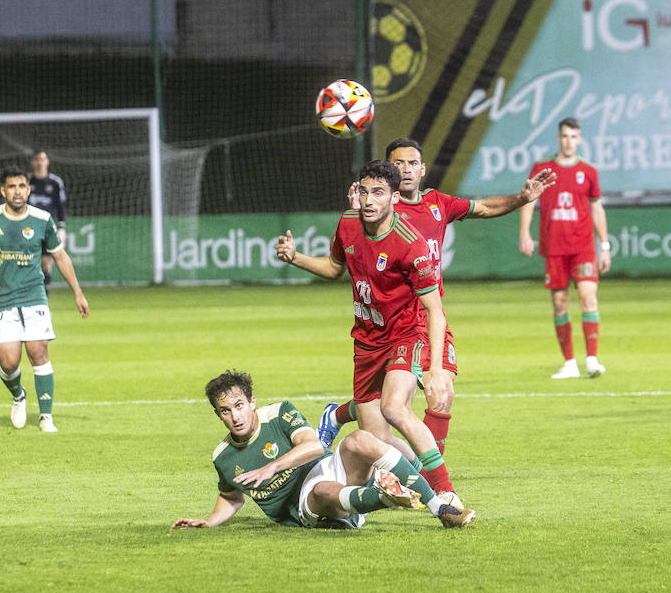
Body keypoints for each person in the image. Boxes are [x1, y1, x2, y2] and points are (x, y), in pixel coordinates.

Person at [317, 137, 555, 489]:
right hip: (395, 323)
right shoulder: (383, 210)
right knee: (387, 420)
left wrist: (522, 198)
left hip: (427, 318)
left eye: (413, 163)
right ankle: (422, 477)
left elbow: (485, 207)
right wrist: (360, 207)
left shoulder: (437, 204)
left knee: (437, 394)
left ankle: (430, 481)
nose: (406, 169)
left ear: (423, 168)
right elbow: (352, 247)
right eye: (398, 163)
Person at [275, 159, 471, 525]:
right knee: (376, 443)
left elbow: (436, 310)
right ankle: (420, 474)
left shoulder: (411, 245)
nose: (368, 199)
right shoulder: (348, 225)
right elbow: (334, 269)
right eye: (364, 191)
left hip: (405, 334)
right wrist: (295, 257)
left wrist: (437, 369)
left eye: (378, 192)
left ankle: (445, 494)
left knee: (396, 408)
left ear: (395, 198)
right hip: (366, 342)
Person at [172, 369, 474, 530]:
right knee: (321, 491)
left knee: (361, 439)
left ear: (251, 402)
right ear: (218, 414)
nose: (235, 416)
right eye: (225, 411)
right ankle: (383, 496)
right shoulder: (222, 457)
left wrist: (273, 466)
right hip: (305, 505)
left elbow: (315, 445)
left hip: (325, 467)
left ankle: (441, 508)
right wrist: (208, 521)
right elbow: (231, 496)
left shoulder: (279, 413)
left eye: (239, 406)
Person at [0, 165, 90, 432]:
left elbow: (60, 256)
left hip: (34, 296)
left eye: (22, 186)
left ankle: (46, 416)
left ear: (29, 189)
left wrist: (78, 292)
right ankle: (18, 396)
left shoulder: (42, 219)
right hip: (3, 300)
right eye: (12, 186)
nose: (17, 191)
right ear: (3, 190)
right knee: (8, 363)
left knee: (39, 352)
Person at [518, 117, 611, 379]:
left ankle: (592, 359)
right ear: (559, 138)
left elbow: (596, 207)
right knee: (560, 304)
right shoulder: (543, 168)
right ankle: (570, 363)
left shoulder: (589, 171)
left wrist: (604, 245)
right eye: (565, 136)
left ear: (579, 139)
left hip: (583, 247)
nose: (569, 141)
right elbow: (529, 201)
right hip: (555, 247)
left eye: (573, 136)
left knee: (588, 297)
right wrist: (524, 233)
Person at [27, 150, 69, 290]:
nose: (40, 162)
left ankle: (43, 299)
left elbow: (61, 206)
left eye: (43, 159)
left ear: (47, 161)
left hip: (47, 228)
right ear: (33, 162)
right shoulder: (26, 181)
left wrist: (62, 227)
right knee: (29, 264)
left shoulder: (55, 182)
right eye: (37, 159)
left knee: (46, 263)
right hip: (28, 228)